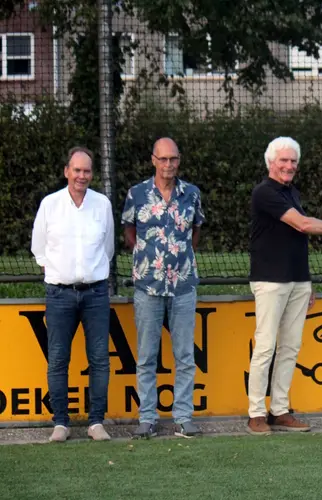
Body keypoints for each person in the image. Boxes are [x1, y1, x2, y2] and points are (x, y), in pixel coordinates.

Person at [247, 137, 322, 435]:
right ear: (271, 163)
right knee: (266, 346)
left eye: (293, 161)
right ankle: (255, 413)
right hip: (270, 281)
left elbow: (297, 239)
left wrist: (308, 283)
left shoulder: (291, 192)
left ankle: (280, 410)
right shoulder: (264, 193)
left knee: (290, 347)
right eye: (284, 160)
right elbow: (303, 225)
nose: (289, 166)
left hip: (298, 282)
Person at [122, 137, 205, 439]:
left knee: (184, 355)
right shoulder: (137, 194)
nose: (168, 165)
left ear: (179, 160)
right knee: (146, 356)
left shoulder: (192, 194)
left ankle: (183, 417)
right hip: (147, 286)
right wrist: (145, 256)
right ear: (153, 160)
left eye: (173, 159)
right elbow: (129, 230)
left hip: (183, 285)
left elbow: (195, 231)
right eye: (163, 159)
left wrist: (180, 257)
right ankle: (147, 418)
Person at [31, 147, 114, 442]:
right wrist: (58, 271)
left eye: (87, 171)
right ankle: (61, 424)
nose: (82, 176)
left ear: (92, 174)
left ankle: (96, 422)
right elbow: (38, 249)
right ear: (67, 171)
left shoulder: (102, 204)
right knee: (57, 359)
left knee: (99, 359)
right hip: (59, 295)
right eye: (77, 170)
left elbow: (108, 248)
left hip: (95, 294)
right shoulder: (49, 205)